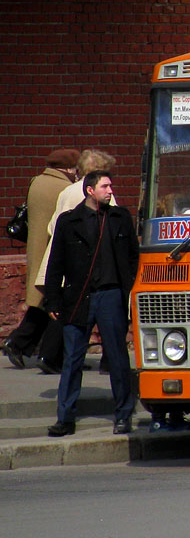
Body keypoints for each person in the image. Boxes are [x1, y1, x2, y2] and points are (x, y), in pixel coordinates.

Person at [42, 171, 139, 437]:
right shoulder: (69, 221)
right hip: (78, 297)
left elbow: (133, 257)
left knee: (118, 358)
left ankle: (123, 414)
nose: (110, 191)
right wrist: (52, 297)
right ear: (90, 190)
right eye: (105, 186)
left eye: (111, 185)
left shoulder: (120, 218)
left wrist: (126, 289)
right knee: (73, 358)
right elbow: (56, 261)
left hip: (111, 296)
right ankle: (66, 418)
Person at [31, 149, 117, 374]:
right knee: (95, 315)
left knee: (63, 311)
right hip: (89, 265)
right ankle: (106, 361)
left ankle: (50, 356)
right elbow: (112, 227)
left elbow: (52, 226)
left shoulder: (67, 191)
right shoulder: (102, 196)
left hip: (61, 260)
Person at [1, 149, 79, 370]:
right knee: (54, 301)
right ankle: (41, 351)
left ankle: (19, 343)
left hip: (37, 248)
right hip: (53, 251)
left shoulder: (36, 182)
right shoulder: (64, 188)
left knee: (43, 300)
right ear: (68, 168)